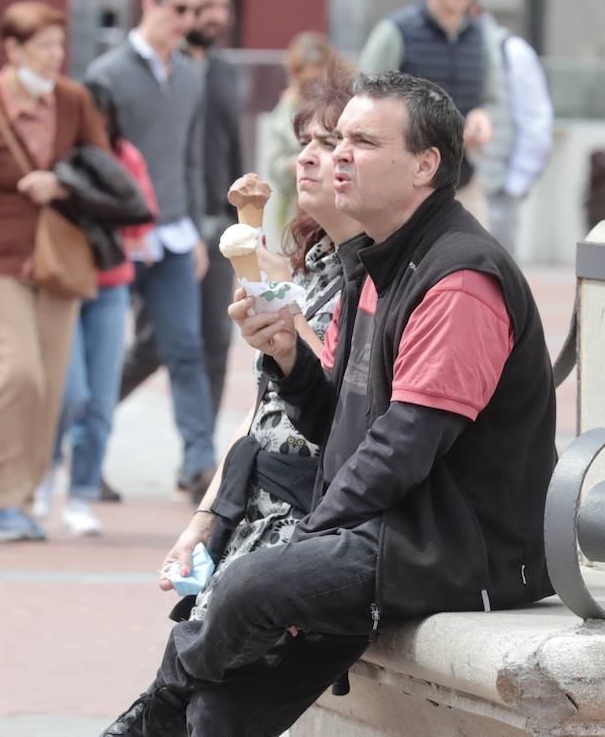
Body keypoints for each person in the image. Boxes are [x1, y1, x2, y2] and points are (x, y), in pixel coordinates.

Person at [102, 71, 557, 736]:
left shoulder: (458, 276)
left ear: (424, 165)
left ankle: (153, 711)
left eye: (362, 142)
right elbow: (338, 423)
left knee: (251, 586)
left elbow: (405, 443)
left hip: (457, 548)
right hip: (388, 529)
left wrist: (309, 543)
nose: (339, 154)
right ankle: (176, 711)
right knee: (224, 710)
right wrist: (287, 357)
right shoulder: (377, 261)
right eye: (336, 139)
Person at [167, 60, 363, 626]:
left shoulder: (384, 276)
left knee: (200, 682)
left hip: (307, 521)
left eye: (328, 144)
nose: (305, 157)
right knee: (190, 674)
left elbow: (341, 406)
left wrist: (283, 312)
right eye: (305, 142)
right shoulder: (309, 264)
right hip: (252, 511)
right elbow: (260, 411)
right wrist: (202, 521)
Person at [0, 1, 109, 542]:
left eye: (60, 46)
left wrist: (60, 187)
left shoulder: (74, 101)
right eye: (43, 47)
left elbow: (101, 174)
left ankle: (26, 494)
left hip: (58, 262)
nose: (55, 56)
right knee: (22, 376)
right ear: (12, 50)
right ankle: (1, 500)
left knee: (56, 388)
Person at [86, 0, 216, 502]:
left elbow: (191, 156)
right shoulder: (107, 75)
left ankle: (199, 465)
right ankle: (83, 458)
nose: (187, 20)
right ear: (149, 4)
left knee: (186, 347)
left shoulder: (191, 75)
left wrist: (198, 229)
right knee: (104, 350)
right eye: (178, 8)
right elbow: (95, 163)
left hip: (176, 235)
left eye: (195, 10)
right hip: (120, 239)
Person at [115, 0, 242, 495]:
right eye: (195, 8)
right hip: (140, 232)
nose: (208, 18)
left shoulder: (215, 71)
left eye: (217, 8)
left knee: (204, 343)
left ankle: (198, 464)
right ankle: (79, 433)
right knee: (143, 347)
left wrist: (235, 224)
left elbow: (219, 152)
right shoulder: (130, 74)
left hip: (201, 230)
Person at [35, 80, 157, 536]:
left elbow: (142, 212)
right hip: (62, 284)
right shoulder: (54, 158)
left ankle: (82, 494)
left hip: (109, 287)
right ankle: (45, 476)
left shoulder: (124, 159)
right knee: (69, 394)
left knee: (101, 401)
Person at [358, 0, 496, 227]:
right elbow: (362, 105)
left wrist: (481, 117)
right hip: (405, 191)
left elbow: (488, 100)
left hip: (464, 184)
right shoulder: (395, 31)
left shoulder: (481, 36)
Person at [475, 9, 554, 255]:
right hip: (454, 185)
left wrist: (514, 186)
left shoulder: (510, 50)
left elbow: (536, 121)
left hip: (497, 189)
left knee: (495, 274)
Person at [258, 31, 333, 235]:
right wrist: (294, 164)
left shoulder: (341, 104)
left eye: (317, 81)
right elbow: (273, 164)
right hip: (295, 204)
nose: (312, 89)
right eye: (306, 83)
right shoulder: (287, 108)